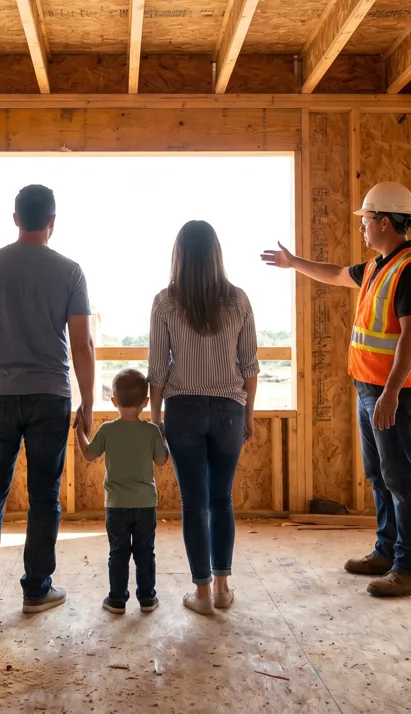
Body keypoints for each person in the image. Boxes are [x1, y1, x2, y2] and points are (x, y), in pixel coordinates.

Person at [260, 181, 411, 597]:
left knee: (400, 477)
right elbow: (337, 275)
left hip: (393, 391)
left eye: (367, 220)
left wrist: (391, 393)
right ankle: (387, 550)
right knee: (379, 475)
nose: (361, 227)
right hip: (368, 387)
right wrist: (293, 262)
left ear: (386, 222)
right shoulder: (378, 266)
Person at [0, 184, 97, 613]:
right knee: (45, 496)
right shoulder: (70, 271)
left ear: (16, 218)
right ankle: (37, 590)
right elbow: (83, 346)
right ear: (52, 221)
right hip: (50, 397)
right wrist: (88, 403)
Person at [148, 220, 258, 616]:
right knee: (221, 499)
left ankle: (202, 593)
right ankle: (225, 587)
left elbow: (157, 369)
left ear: (179, 256)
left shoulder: (165, 302)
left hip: (183, 411)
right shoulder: (239, 300)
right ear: (216, 255)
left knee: (194, 504)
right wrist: (249, 414)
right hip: (229, 410)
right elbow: (249, 366)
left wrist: (155, 418)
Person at [72, 369, 169, 614]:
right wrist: (164, 436)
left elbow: (88, 454)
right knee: (146, 552)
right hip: (146, 505)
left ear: (113, 401)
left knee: (118, 553)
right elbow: (161, 461)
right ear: (145, 402)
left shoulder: (107, 430)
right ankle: (147, 598)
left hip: (115, 505)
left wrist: (79, 432)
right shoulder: (151, 431)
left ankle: (117, 600)